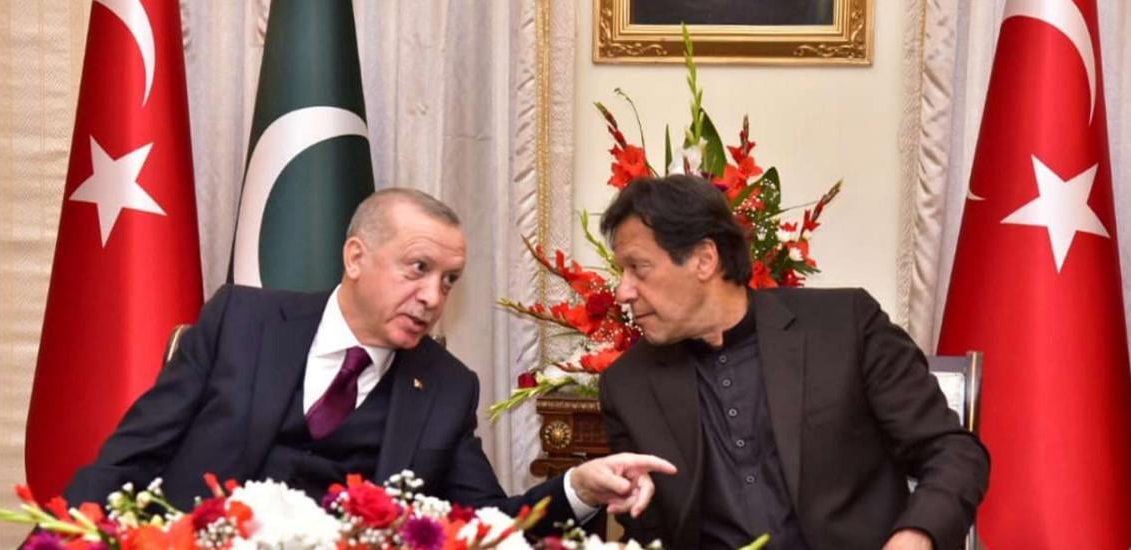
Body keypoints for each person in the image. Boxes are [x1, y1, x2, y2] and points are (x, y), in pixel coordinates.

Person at [64, 188, 675, 531]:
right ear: (356, 257)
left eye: (449, 280)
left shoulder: (446, 387)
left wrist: (578, 487)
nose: (433, 297)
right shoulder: (241, 322)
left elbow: (485, 524)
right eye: (418, 268)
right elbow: (129, 457)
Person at [596, 175, 989, 549]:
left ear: (704, 259)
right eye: (621, 272)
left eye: (638, 268)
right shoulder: (628, 386)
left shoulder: (844, 326)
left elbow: (951, 450)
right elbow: (647, 532)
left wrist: (917, 535)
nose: (623, 291)